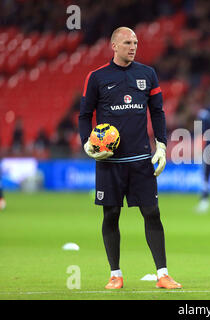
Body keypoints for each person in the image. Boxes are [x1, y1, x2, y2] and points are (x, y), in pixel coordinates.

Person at [78, 27, 181, 290]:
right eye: (127, 42)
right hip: (109, 161)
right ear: (113, 45)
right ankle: (115, 274)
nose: (132, 46)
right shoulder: (97, 77)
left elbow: (157, 112)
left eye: (135, 42)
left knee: (152, 212)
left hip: (140, 159)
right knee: (111, 214)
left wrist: (161, 146)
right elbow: (84, 115)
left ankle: (163, 275)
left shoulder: (148, 74)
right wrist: (87, 144)